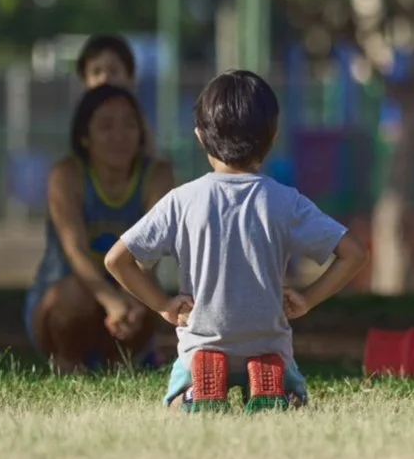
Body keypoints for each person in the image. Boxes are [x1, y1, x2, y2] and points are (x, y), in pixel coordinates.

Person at [106, 71, 369, 410]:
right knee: (290, 394)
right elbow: (354, 254)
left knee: (177, 403)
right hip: (268, 342)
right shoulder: (285, 201)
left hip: (201, 342)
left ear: (200, 137)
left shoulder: (182, 200)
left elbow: (117, 260)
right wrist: (308, 298)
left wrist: (163, 304)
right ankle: (273, 385)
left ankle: (196, 393)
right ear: (272, 137)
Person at [27, 84, 174, 373]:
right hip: (68, 302)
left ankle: (121, 363)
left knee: (149, 296)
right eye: (106, 126)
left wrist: (130, 299)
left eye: (130, 125)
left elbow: (151, 251)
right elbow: (75, 250)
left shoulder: (158, 175)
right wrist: (112, 302)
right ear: (84, 137)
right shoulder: (67, 175)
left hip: (130, 294)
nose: (119, 136)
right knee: (72, 295)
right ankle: (68, 362)